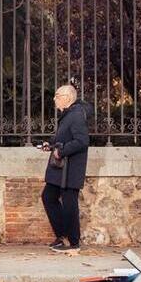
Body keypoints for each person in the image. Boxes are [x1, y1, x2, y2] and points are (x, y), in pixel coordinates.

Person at [40, 81, 91, 254]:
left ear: (67, 98)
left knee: (69, 203)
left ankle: (73, 242)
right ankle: (62, 235)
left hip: (71, 169)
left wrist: (61, 152)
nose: (54, 99)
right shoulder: (68, 115)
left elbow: (82, 141)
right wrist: (52, 144)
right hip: (61, 170)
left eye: (57, 96)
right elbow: (66, 137)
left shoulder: (76, 115)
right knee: (48, 196)